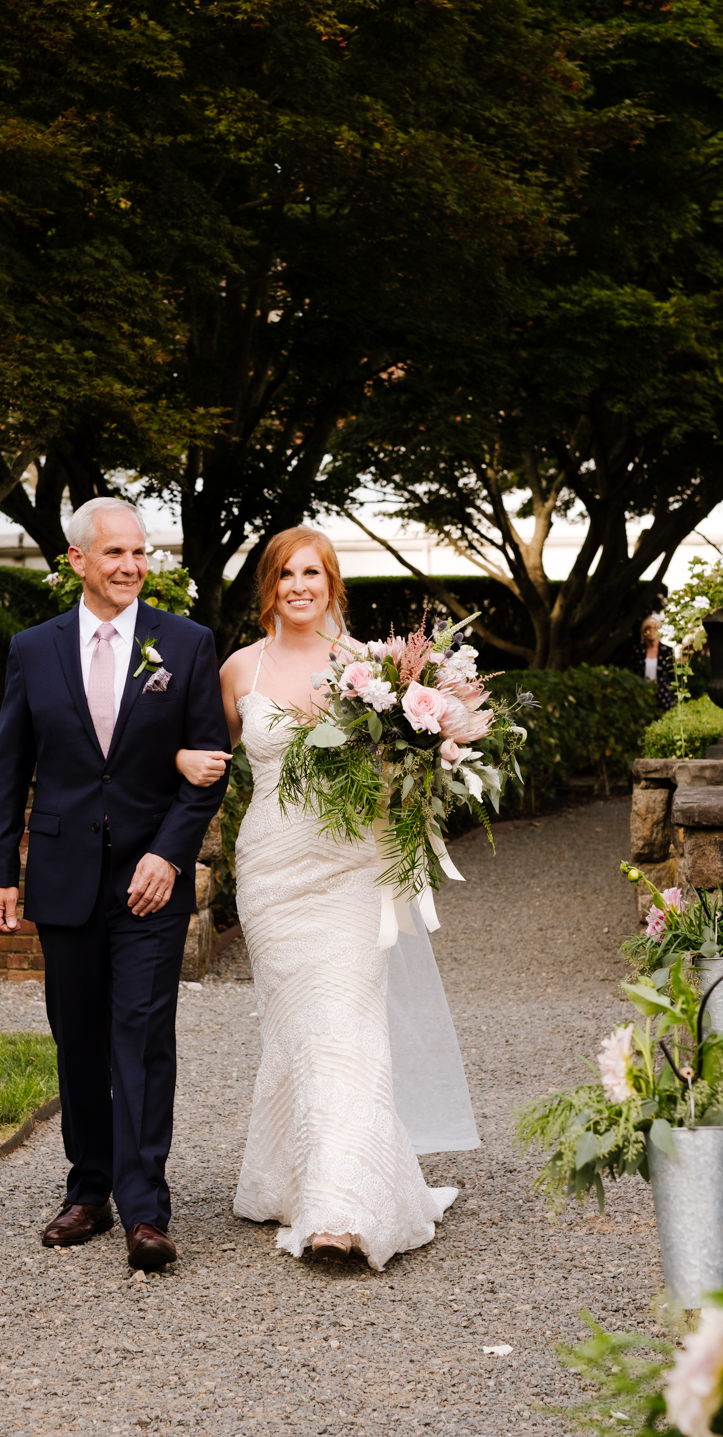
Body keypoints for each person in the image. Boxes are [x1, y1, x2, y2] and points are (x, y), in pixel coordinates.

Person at [177, 526, 479, 1271]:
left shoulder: (370, 669)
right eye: (286, 574)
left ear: (332, 583)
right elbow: (204, 756)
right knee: (299, 1025)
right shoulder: (238, 669)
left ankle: (342, 1208)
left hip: (350, 868)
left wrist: (429, 754)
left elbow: (409, 758)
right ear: (269, 587)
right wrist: (179, 756)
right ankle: (293, 1173)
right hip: (273, 873)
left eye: (313, 573)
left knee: (345, 1024)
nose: (300, 586)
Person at [0, 498, 230, 1270]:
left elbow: (208, 766)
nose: (131, 566)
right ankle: (88, 1191)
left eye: (140, 552)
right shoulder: (33, 647)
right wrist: (1, 871)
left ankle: (146, 1210)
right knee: (79, 1038)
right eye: (115, 553)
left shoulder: (185, 645)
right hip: (62, 877)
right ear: (77, 560)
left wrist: (169, 855)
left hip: (150, 880)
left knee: (143, 1038)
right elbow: (8, 765)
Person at [631, 615, 675, 713]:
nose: (651, 630)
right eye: (648, 628)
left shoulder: (667, 651)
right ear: (643, 631)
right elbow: (634, 673)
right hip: (643, 693)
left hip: (664, 694)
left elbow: (672, 675)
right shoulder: (638, 650)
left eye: (654, 627)